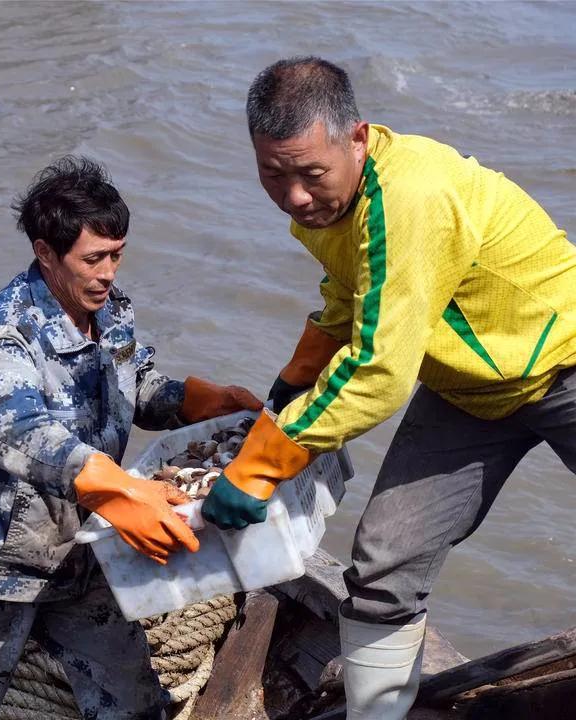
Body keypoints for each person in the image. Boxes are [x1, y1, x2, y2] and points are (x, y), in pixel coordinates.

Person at [199, 56, 576, 719]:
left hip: (564, 360)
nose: (293, 197)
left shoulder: (411, 199)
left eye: (310, 175)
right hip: (471, 392)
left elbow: (379, 372)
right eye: (272, 174)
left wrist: (261, 466)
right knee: (382, 568)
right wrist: (292, 385)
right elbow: (349, 299)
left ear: (358, 138)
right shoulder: (329, 207)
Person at [0, 156, 263, 719]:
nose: (108, 273)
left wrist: (192, 400)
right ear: (45, 253)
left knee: (132, 702)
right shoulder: (7, 333)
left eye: (117, 255)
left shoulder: (108, 308)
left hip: (83, 554)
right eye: (94, 259)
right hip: (0, 568)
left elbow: (134, 383)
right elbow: (16, 428)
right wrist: (116, 490)